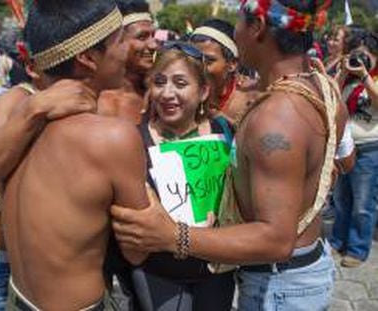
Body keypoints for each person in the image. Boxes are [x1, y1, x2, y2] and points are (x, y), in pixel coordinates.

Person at [111, 1, 347, 310]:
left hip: (278, 287)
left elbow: (276, 239)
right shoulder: (321, 85)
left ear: (257, 27)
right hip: (305, 269)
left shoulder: (276, 118)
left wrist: (173, 235)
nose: (235, 33)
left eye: (238, 22)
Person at [1, 0, 149, 309]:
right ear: (87, 58)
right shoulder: (112, 137)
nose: (128, 50)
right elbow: (138, 250)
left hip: (20, 298)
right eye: (120, 40)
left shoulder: (18, 115)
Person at [133, 41, 235, 310]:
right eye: (159, 82)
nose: (167, 93)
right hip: (159, 274)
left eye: (180, 83)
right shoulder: (133, 140)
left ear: (203, 91)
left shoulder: (223, 131)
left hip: (216, 269)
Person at [330, 31, 378, 267]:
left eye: (365, 55)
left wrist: (365, 76)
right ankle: (337, 241)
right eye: (356, 55)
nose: (360, 60)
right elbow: (331, 96)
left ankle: (357, 249)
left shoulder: (375, 79)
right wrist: (344, 71)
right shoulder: (348, 79)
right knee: (341, 199)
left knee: (363, 204)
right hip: (344, 148)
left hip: (369, 149)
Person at [98, 0, 158, 124]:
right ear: (119, 42)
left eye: (153, 35)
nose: (153, 45)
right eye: (142, 37)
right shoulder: (98, 102)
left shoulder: (162, 94)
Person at [190, 19, 254, 121]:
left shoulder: (251, 100)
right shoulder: (181, 96)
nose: (199, 67)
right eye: (193, 59)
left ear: (232, 64)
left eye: (209, 61)